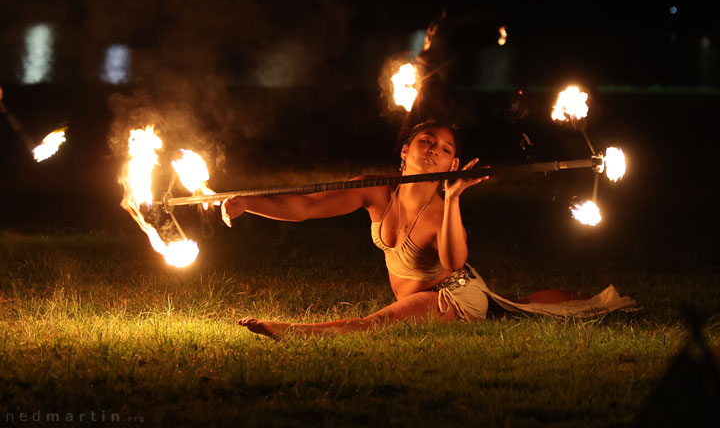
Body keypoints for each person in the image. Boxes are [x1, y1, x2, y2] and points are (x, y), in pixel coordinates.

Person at [222, 120, 636, 338]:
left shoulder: (441, 210)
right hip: (440, 289)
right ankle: (586, 299)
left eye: (446, 148)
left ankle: (292, 332)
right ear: (406, 150)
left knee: (377, 323)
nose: (435, 148)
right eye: (426, 140)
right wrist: (247, 203)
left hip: (454, 292)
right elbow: (305, 206)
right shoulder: (376, 190)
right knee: (517, 306)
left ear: (452, 166)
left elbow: (455, 260)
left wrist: (454, 198)